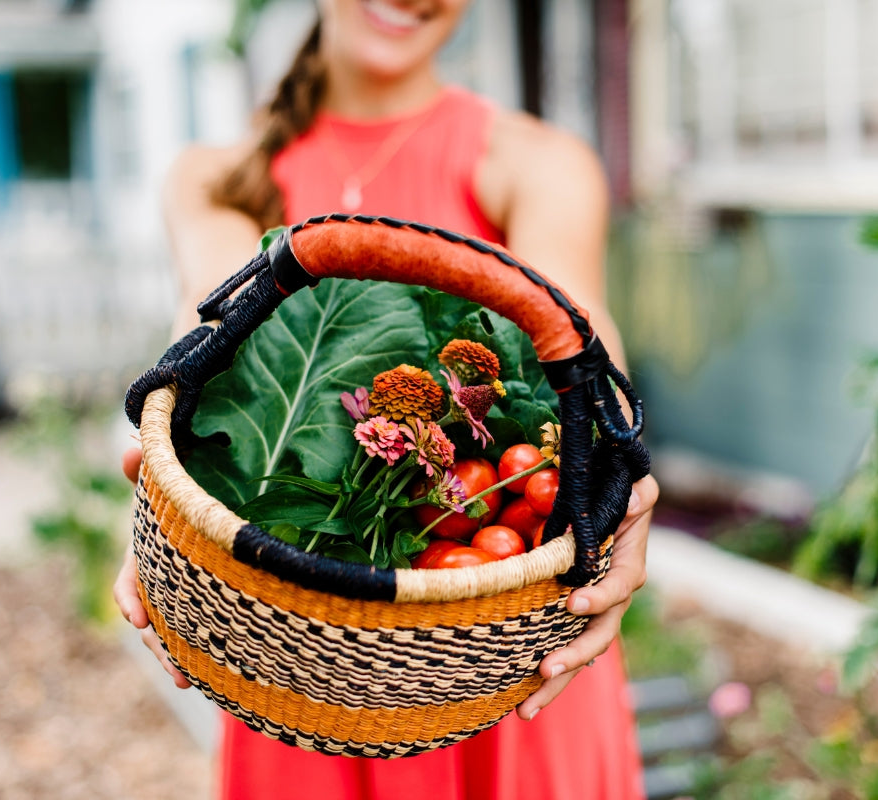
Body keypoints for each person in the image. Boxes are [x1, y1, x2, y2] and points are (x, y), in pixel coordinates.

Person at [114, 2, 661, 798]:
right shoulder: (217, 176)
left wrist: (626, 476)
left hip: (502, 656)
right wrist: (167, 502)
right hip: (298, 657)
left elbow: (582, 335)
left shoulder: (535, 162)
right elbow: (204, 331)